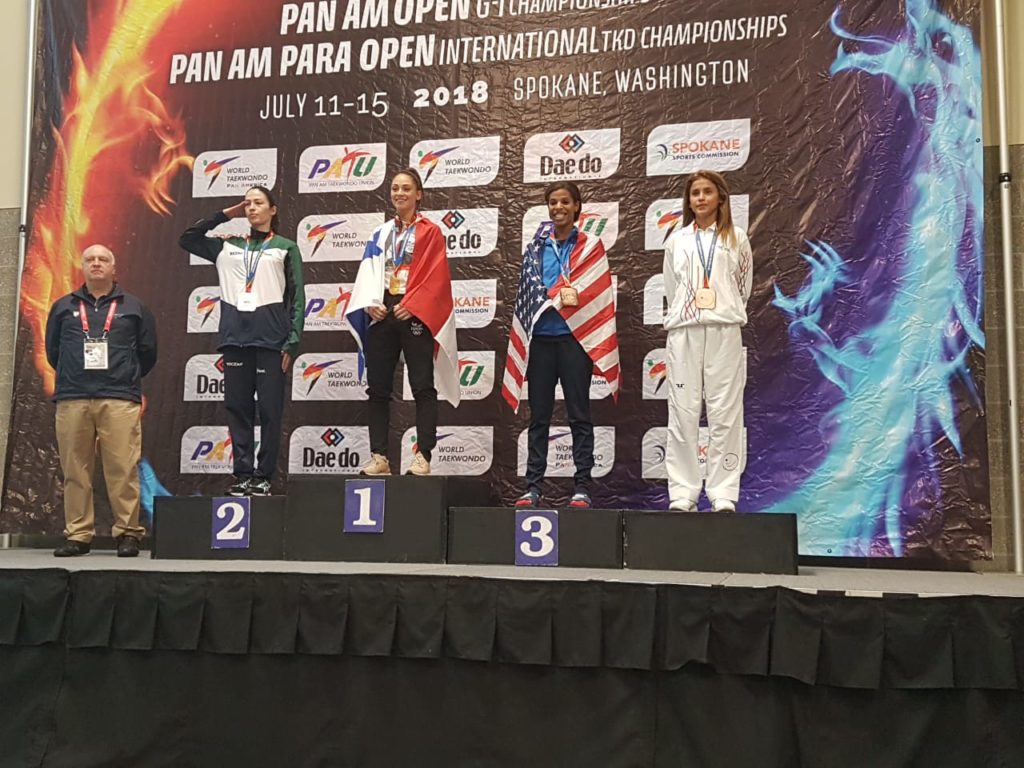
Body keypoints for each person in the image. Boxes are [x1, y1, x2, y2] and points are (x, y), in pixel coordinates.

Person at [179, 185, 304, 496]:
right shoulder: (227, 246)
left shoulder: (285, 248)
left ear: (273, 210)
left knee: (270, 412)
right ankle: (243, 475)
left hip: (271, 342)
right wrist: (226, 214)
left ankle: (264, 476)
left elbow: (298, 299)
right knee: (238, 409)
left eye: (258, 202)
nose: (251, 208)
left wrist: (292, 342)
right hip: (235, 340)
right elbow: (188, 238)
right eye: (247, 204)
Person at [502, 181, 619, 508]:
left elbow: (597, 292)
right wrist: (550, 298)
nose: (558, 208)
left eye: (565, 201)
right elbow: (527, 292)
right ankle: (533, 487)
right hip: (541, 340)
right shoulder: (536, 248)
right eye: (553, 202)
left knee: (579, 414)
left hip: (575, 340)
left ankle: (582, 487)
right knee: (538, 417)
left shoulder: (591, 246)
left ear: (577, 206)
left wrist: (557, 296)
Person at [346, 168, 460, 476]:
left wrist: (414, 304)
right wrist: (370, 303)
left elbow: (436, 275)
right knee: (378, 388)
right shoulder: (381, 233)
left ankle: (423, 455)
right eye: (395, 188)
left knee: (422, 385)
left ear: (418, 194)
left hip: (414, 312)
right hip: (383, 311)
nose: (400, 193)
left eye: (406, 188)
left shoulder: (430, 231)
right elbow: (368, 272)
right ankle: (379, 456)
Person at [46, 245, 157, 557]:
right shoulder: (63, 307)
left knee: (123, 467)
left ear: (113, 267)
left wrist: (124, 375)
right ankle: (78, 535)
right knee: (75, 469)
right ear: (82, 266)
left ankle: (128, 533)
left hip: (119, 397)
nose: (96, 263)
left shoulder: (134, 307)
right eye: (90, 259)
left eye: (103, 259)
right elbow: (53, 351)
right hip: (73, 397)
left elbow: (148, 352)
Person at [662, 170, 753, 512]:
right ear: (688, 201)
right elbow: (672, 288)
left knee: (725, 412)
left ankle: (723, 492)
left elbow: (743, 287)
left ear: (720, 198)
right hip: (684, 332)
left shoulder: (736, 238)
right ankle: (683, 492)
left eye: (707, 192)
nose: (700, 198)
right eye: (695, 193)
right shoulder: (676, 241)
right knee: (682, 412)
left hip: (723, 330)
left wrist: (722, 307)